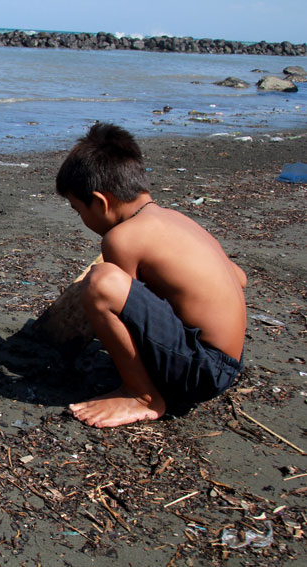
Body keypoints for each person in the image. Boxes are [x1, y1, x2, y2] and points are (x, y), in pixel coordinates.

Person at [55, 123, 246, 428]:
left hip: (202, 371)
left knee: (101, 282)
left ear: (101, 202)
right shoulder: (176, 220)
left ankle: (142, 396)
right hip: (229, 363)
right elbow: (239, 277)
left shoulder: (121, 239)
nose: (82, 219)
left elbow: (116, 300)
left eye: (79, 210)